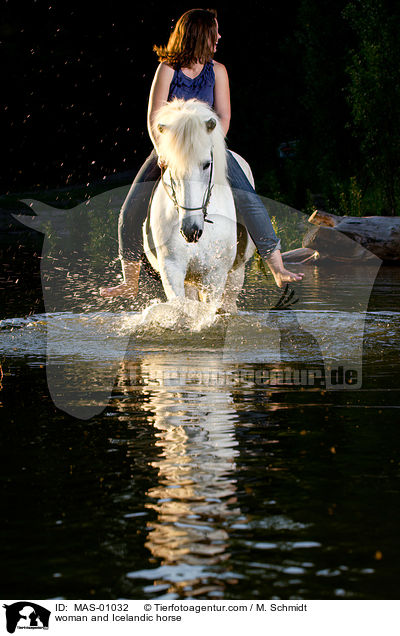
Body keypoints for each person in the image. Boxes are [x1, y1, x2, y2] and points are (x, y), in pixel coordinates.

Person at [99, 8, 304, 298]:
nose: (219, 37)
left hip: (209, 147)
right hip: (172, 149)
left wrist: (212, 146)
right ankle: (129, 282)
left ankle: (277, 267)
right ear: (198, 35)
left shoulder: (218, 71)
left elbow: (224, 117)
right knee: (130, 208)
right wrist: (163, 151)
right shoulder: (167, 69)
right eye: (214, 32)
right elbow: (154, 118)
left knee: (250, 199)